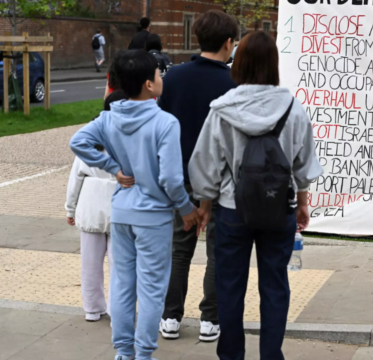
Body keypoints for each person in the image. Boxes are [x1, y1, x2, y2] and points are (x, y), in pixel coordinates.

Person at [188, 31, 323, 360]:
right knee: (275, 285)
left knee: (229, 286)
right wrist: (303, 203)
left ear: (241, 63)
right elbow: (303, 163)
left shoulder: (222, 110)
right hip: (280, 208)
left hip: (232, 210)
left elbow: (205, 164)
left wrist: (205, 206)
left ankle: (232, 355)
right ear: (274, 64)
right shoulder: (293, 108)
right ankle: (271, 355)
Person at [70, 49, 201, 360]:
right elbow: (171, 179)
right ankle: (143, 353)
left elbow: (77, 141)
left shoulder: (108, 118)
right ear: (149, 84)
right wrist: (186, 209)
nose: (161, 78)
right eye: (158, 74)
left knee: (122, 284)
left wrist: (112, 166)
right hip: (153, 216)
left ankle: (123, 352)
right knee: (153, 288)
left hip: (122, 212)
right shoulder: (166, 123)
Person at [157, 9, 238, 342]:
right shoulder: (233, 82)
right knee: (218, 250)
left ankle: (171, 317)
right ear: (229, 43)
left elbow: (160, 128)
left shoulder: (173, 78)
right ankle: (210, 320)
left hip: (180, 178)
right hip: (220, 179)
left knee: (178, 248)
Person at [65, 123, 116, 323]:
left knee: (90, 263)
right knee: (119, 265)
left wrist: (70, 209)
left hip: (90, 209)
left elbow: (74, 183)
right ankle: (117, 310)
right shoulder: (128, 149)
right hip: (118, 211)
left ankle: (92, 309)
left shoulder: (84, 154)